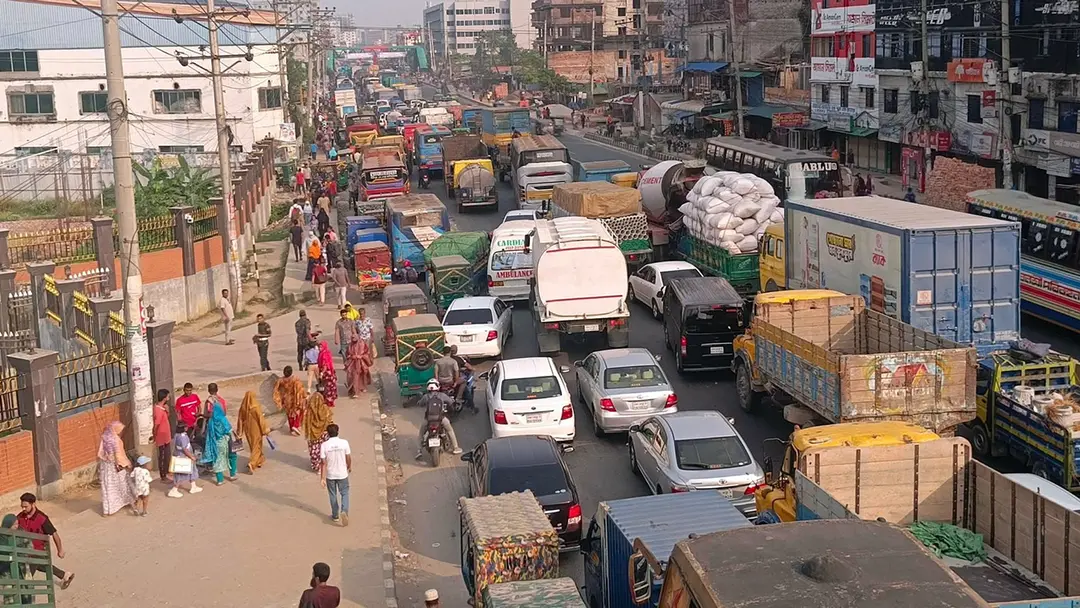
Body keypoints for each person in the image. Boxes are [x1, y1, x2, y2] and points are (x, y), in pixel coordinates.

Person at [16, 494, 75, 589]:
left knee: (25, 577)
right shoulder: (20, 517)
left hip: (37, 551)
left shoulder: (42, 518)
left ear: (33, 504)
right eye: (22, 506)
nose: (23, 509)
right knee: (42, 565)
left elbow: (54, 533)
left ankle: (23, 594)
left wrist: (60, 550)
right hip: (25, 551)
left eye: (26, 506)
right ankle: (64, 575)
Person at [97, 421, 136, 516]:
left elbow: (100, 452)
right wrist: (127, 463)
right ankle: (128, 501)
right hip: (116, 466)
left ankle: (108, 510)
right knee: (123, 483)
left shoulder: (104, 437)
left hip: (106, 466)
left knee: (108, 486)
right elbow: (119, 455)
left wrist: (106, 458)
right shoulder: (116, 440)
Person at [416, 380, 461, 459]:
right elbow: (450, 402)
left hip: (428, 419)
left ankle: (419, 451)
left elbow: (420, 404)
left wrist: (419, 401)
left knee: (421, 433)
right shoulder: (442, 395)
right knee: (450, 430)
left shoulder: (426, 396)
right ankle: (455, 448)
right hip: (440, 419)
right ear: (437, 386)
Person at [319, 423, 351, 525]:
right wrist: (349, 466)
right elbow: (348, 457)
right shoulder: (344, 443)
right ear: (338, 431)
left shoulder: (324, 445)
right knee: (344, 493)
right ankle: (344, 511)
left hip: (330, 475)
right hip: (342, 473)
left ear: (327, 433)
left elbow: (323, 463)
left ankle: (335, 515)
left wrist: (322, 478)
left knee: (332, 494)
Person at [201, 402, 237, 485]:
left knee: (217, 460)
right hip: (225, 441)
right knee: (232, 456)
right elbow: (229, 429)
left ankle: (220, 480)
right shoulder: (222, 418)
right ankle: (232, 475)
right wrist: (237, 436)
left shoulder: (211, 421)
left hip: (215, 443)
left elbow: (209, 433)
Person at [237, 391, 271, 474]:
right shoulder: (256, 407)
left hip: (247, 430)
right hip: (256, 430)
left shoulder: (243, 407)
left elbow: (240, 420)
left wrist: (240, 432)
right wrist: (265, 429)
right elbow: (261, 419)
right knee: (257, 446)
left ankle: (259, 460)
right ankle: (252, 463)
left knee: (253, 445)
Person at [303, 392, 334, 472]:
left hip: (313, 435)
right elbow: (330, 420)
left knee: (315, 450)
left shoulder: (308, 412)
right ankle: (325, 464)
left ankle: (317, 467)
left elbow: (306, 423)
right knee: (325, 450)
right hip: (324, 434)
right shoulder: (325, 409)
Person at [168, 422, 201, 497]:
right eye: (185, 427)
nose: (187, 428)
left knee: (192, 471)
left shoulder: (177, 435)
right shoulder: (182, 437)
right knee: (180, 474)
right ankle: (174, 490)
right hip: (184, 456)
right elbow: (184, 449)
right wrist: (191, 456)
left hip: (182, 455)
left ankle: (193, 486)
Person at [274, 366, 308, 435]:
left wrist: (279, 399)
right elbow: (300, 389)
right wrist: (304, 396)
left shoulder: (281, 380)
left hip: (286, 399)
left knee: (289, 414)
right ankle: (295, 425)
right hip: (294, 398)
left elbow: (276, 389)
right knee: (297, 411)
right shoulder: (295, 379)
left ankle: (291, 428)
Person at [151, 388, 172, 482]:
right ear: (164, 397)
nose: (169, 397)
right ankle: (163, 476)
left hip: (166, 436)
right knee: (163, 456)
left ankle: (167, 473)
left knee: (167, 455)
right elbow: (157, 424)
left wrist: (167, 411)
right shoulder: (158, 410)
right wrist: (155, 434)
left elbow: (166, 418)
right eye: (168, 396)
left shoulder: (163, 408)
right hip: (161, 436)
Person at [449, 345, 475, 412]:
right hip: (454, 379)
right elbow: (469, 367)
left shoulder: (445, 359)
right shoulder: (458, 359)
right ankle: (462, 399)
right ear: (456, 351)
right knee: (466, 387)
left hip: (444, 379)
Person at [316, 341, 339, 407]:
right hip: (329, 373)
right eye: (319, 347)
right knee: (329, 387)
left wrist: (322, 373)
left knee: (328, 388)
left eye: (321, 347)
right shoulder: (325, 352)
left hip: (327, 374)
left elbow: (325, 365)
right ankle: (329, 400)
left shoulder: (324, 354)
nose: (319, 348)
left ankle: (329, 401)